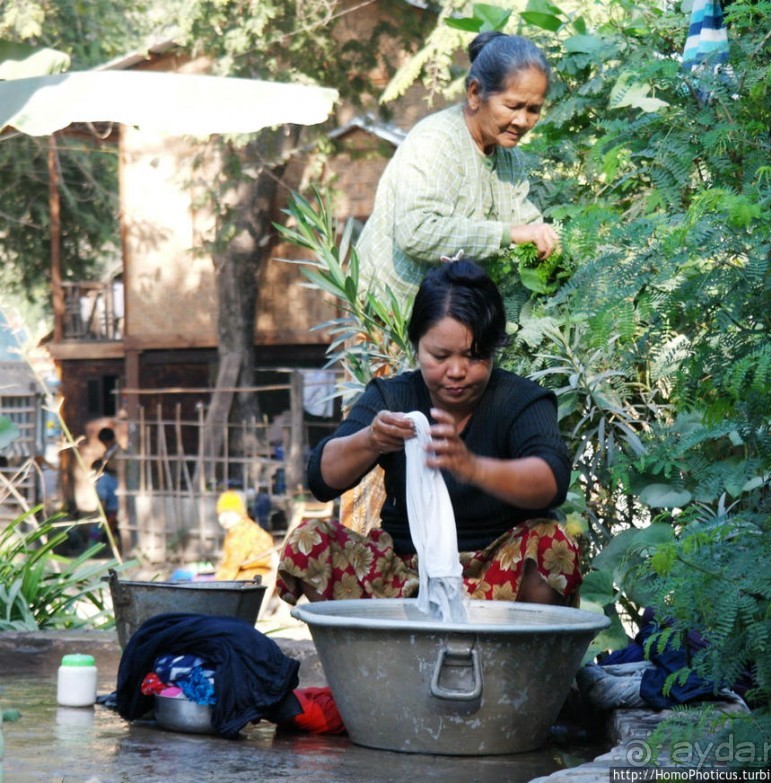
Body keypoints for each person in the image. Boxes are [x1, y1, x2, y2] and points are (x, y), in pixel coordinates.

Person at [278, 260, 580, 607]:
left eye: (474, 356)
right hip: (403, 576)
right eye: (440, 355)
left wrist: (473, 467)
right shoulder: (392, 397)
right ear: (417, 345)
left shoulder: (520, 401)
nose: (456, 371)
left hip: (495, 574)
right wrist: (370, 440)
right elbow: (321, 478)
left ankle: (515, 661)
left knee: (553, 543)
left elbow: (552, 481)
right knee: (310, 541)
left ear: (495, 349)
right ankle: (365, 657)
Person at [356, 31, 559, 302]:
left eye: (534, 110)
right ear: (475, 94)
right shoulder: (436, 140)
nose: (522, 120)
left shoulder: (509, 158)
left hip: (447, 314)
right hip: (387, 314)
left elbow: (527, 224)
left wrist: (553, 245)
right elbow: (416, 232)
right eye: (512, 105)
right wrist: (509, 234)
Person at [214, 490, 276, 584]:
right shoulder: (238, 529)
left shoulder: (242, 533)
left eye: (228, 513)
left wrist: (215, 584)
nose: (224, 519)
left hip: (256, 576)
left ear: (239, 513)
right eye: (221, 514)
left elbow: (232, 564)